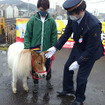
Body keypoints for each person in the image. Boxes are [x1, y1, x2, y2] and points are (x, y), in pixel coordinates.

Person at [45, 0, 104, 105]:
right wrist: (55, 47)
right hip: (78, 46)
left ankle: (79, 98)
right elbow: (66, 33)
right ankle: (68, 89)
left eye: (71, 14)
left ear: (81, 11)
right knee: (67, 66)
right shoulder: (73, 17)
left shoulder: (93, 24)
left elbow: (91, 49)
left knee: (81, 76)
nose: (70, 16)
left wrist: (79, 62)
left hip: (91, 51)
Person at [24, 0, 57, 93]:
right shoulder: (32, 20)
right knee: (35, 67)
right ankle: (35, 84)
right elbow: (27, 35)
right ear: (38, 8)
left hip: (47, 51)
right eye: (42, 9)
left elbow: (54, 36)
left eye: (45, 9)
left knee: (47, 66)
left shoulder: (51, 21)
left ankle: (48, 81)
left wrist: (53, 49)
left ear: (48, 9)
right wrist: (27, 48)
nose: (43, 11)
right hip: (35, 50)